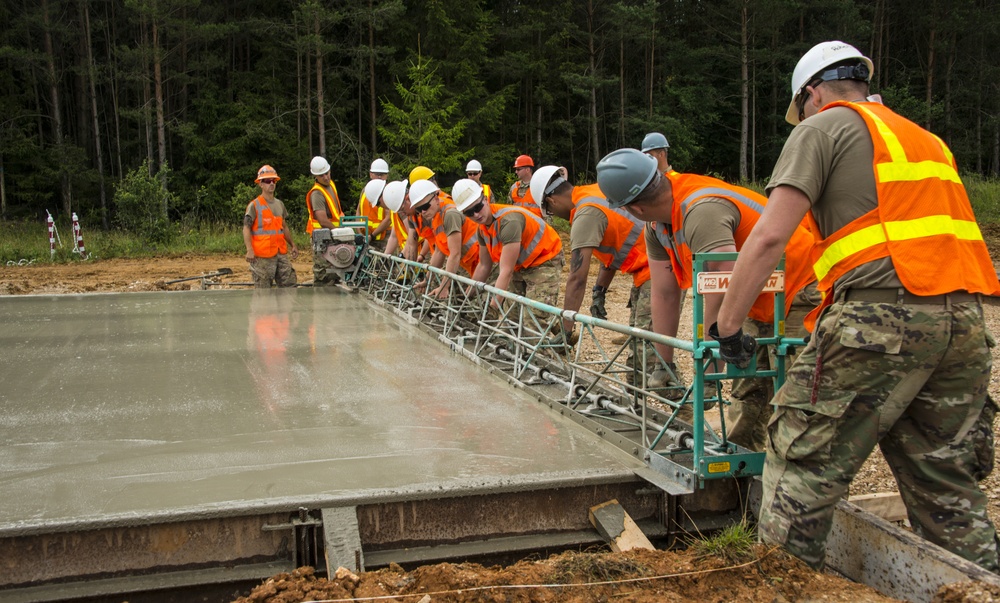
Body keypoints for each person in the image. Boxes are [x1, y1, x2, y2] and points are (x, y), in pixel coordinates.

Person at [713, 40, 1000, 573]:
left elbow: (770, 235)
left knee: (801, 459)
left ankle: (780, 581)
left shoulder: (821, 127)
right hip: (963, 323)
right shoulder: (927, 139)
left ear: (812, 93)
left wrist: (727, 324)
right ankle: (980, 583)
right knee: (942, 476)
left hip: (880, 319)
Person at [595, 148, 818, 442]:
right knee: (748, 393)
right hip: (754, 299)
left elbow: (723, 284)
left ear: (633, 208)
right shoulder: (657, 228)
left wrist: (712, 368)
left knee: (800, 398)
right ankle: (740, 476)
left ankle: (795, 475)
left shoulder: (700, 210)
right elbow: (665, 293)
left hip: (802, 290)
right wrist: (665, 361)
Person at [529, 165, 657, 379]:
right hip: (650, 269)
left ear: (551, 201)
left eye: (550, 211)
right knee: (639, 348)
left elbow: (577, 278)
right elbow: (616, 243)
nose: (554, 215)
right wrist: (600, 290)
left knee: (648, 351)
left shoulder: (585, 213)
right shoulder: (595, 192)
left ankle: (682, 409)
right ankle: (641, 406)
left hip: (659, 270)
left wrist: (566, 330)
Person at [456, 178, 563, 308]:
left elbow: (506, 271)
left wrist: (493, 307)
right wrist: (467, 298)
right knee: (511, 320)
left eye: (478, 207)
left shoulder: (508, 222)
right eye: (469, 213)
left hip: (544, 259)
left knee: (534, 318)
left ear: (485, 199)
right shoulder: (482, 229)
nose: (476, 214)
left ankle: (550, 321)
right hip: (521, 264)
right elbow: (484, 266)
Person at [411, 179, 480, 298]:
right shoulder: (436, 215)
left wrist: (444, 286)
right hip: (473, 265)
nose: (423, 212)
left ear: (436, 199)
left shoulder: (450, 214)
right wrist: (427, 280)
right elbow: (439, 252)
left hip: (486, 264)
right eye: (418, 209)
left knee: (486, 309)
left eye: (425, 206)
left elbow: (455, 254)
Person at [243, 165, 298, 288]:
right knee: (263, 291)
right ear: (260, 184)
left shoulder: (280, 204)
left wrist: (292, 245)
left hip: (280, 253)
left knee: (289, 284)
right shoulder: (254, 205)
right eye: (267, 181)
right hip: (262, 257)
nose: (271, 183)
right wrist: (249, 249)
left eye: (274, 181)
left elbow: (284, 227)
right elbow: (246, 228)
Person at [305, 156, 344, 285]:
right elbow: (322, 220)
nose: (326, 177)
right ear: (315, 176)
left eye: (327, 173)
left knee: (335, 269)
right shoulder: (317, 193)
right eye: (322, 176)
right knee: (323, 273)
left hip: (332, 234)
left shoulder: (331, 185)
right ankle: (321, 296)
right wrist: (340, 232)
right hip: (322, 237)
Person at [357, 158, 392, 250]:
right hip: (366, 237)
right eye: (377, 174)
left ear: (387, 175)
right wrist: (359, 233)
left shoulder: (389, 192)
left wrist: (372, 235)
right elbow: (358, 212)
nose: (380, 177)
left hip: (384, 239)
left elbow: (389, 218)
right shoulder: (365, 191)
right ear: (371, 174)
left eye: (382, 174)